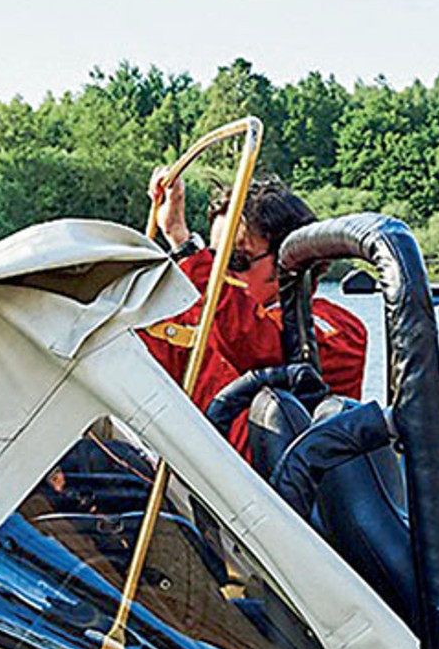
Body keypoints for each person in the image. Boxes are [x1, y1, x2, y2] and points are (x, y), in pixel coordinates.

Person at [140, 166, 368, 456]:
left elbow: (262, 346)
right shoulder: (215, 316)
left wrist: (184, 246)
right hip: (199, 480)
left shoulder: (341, 330)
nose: (219, 272)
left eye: (234, 259)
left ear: (293, 263)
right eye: (214, 257)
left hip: (275, 493)